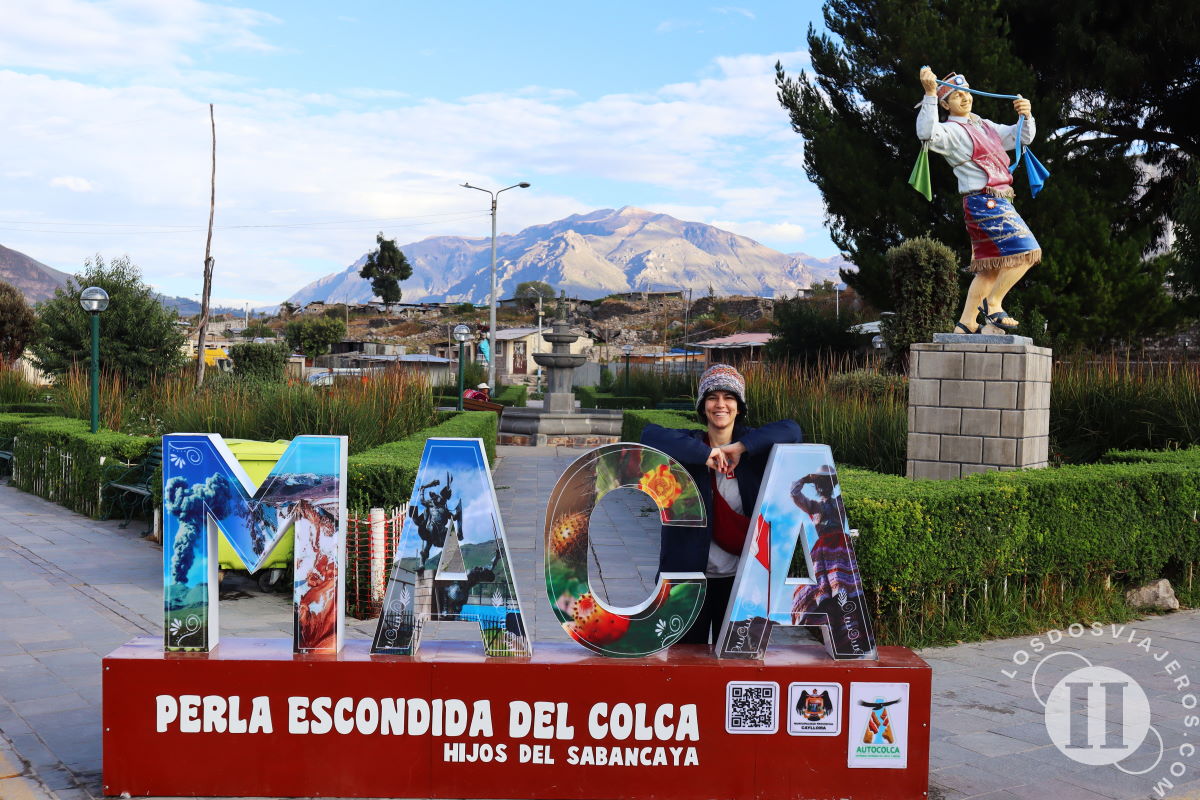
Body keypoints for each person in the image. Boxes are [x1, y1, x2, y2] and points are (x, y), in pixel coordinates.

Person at [640, 363, 802, 645]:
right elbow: (648, 435)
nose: (720, 405)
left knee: (737, 666)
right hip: (688, 580)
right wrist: (704, 454)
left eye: (729, 398)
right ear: (703, 407)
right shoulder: (688, 447)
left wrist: (741, 447)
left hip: (741, 582)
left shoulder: (755, 453)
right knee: (686, 667)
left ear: (739, 407)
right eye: (713, 397)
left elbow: (792, 430)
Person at [917, 67, 1040, 334]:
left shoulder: (984, 125)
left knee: (990, 268)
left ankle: (966, 323)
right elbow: (926, 134)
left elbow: (1022, 137)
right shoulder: (950, 131)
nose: (964, 98)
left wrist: (1026, 115)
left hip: (996, 200)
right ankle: (993, 303)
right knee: (1027, 252)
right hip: (984, 202)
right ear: (945, 103)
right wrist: (928, 95)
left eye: (966, 92)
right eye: (956, 95)